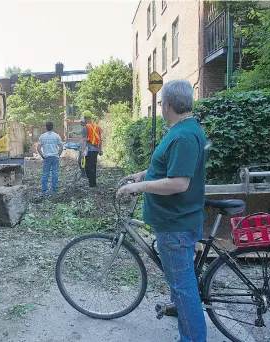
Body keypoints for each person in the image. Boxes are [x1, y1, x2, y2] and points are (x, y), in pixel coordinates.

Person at [116, 79, 208, 342]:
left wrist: (141, 187)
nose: (160, 107)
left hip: (176, 223)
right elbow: (170, 167)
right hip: (175, 221)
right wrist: (141, 174)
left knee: (183, 286)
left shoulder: (184, 136)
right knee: (181, 282)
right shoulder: (183, 130)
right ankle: (179, 311)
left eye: (160, 103)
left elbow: (179, 182)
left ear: (167, 104)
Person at [37, 122, 63, 194]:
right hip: (55, 156)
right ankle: (54, 188)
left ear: (46, 127)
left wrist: (42, 155)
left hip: (47, 157)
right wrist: (58, 155)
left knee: (45, 173)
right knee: (54, 172)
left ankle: (44, 189)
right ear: (53, 127)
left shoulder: (42, 136)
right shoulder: (57, 136)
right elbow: (61, 146)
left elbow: (38, 148)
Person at [80, 111, 102, 187]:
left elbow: (84, 140)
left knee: (88, 167)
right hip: (95, 149)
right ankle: (93, 183)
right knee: (93, 166)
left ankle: (92, 184)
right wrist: (100, 149)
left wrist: (82, 151)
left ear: (85, 118)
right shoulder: (97, 127)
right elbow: (100, 139)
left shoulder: (86, 128)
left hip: (88, 150)